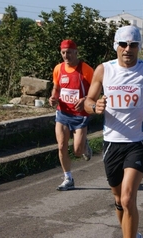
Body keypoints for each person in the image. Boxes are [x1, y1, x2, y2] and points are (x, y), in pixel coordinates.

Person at [84, 26, 143, 238]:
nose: (127, 49)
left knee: (128, 198)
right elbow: (87, 101)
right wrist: (95, 107)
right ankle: (131, 233)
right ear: (116, 46)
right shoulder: (104, 70)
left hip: (138, 141)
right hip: (112, 142)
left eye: (133, 45)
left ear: (139, 47)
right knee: (118, 199)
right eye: (123, 44)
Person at [49, 39, 94, 191]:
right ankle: (68, 178)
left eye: (69, 52)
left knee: (77, 151)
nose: (66, 55)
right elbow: (56, 88)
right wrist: (54, 97)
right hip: (62, 113)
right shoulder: (58, 69)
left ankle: (84, 146)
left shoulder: (86, 69)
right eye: (63, 53)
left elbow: (95, 91)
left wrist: (85, 100)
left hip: (80, 115)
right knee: (61, 146)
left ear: (76, 52)